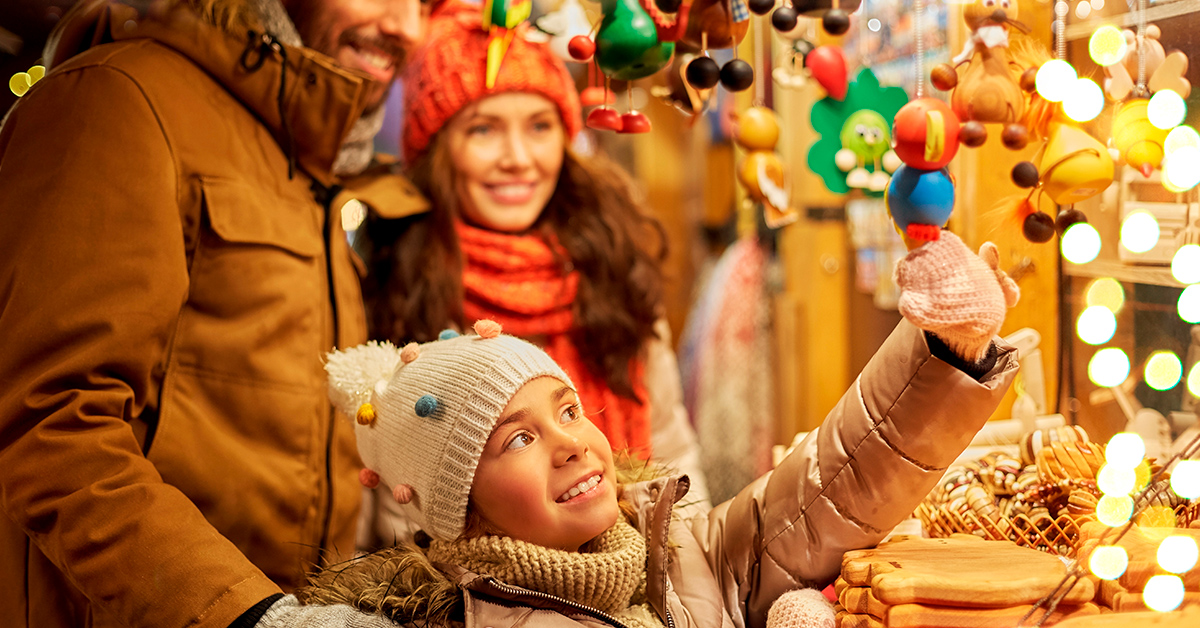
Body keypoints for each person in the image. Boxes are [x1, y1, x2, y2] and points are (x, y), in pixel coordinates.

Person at [303, 233, 1019, 628]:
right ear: (458, 507)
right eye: (517, 439)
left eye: (568, 409)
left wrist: (944, 352)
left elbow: (828, 488)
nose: (569, 443)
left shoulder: (675, 548)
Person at [0, 0, 430, 626]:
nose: (406, 27)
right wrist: (248, 614)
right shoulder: (119, 99)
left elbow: (261, 417)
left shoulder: (304, 154)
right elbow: (52, 424)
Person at [356, 1, 712, 542]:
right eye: (483, 130)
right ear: (435, 148)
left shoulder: (609, 263)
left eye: (540, 126)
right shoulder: (393, 286)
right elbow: (390, 517)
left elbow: (672, 454)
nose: (519, 157)